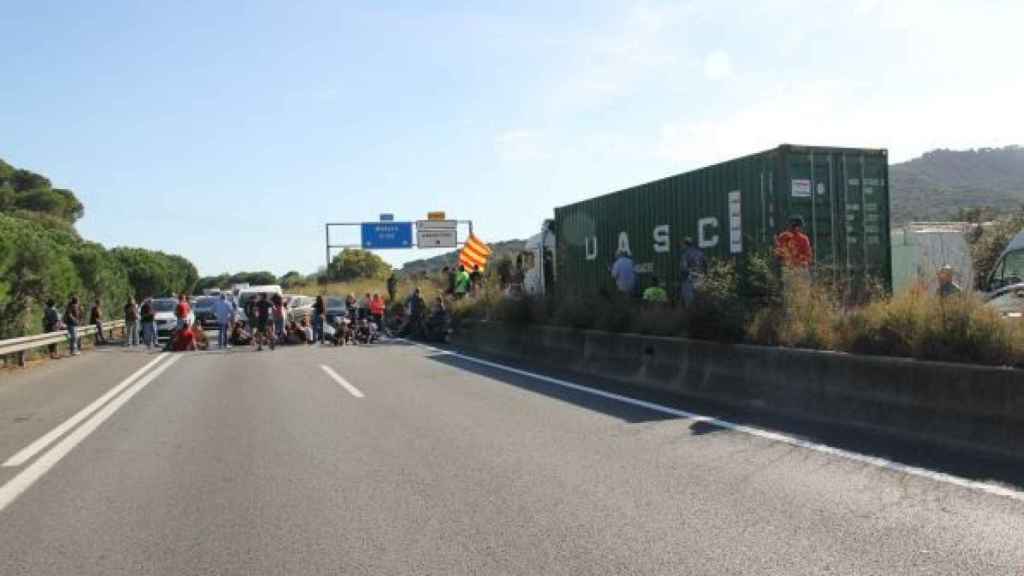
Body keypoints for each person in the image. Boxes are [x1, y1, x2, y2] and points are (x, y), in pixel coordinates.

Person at [679, 237, 706, 308]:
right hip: (700, 278)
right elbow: (705, 266)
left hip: (689, 278)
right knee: (701, 299)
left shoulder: (685, 254)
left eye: (683, 244)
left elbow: (683, 268)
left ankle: (692, 315)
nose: (682, 246)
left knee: (689, 302)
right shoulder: (701, 253)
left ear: (686, 244)